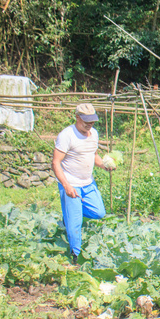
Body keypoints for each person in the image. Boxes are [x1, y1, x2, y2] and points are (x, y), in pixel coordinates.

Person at [52, 103, 112, 264]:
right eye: (86, 121)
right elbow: (56, 163)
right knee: (75, 223)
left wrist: (104, 165)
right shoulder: (67, 135)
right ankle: (75, 256)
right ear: (77, 117)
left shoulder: (93, 134)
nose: (89, 124)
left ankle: (69, 215)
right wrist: (66, 186)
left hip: (88, 182)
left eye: (92, 121)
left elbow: (94, 156)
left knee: (99, 212)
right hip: (71, 183)